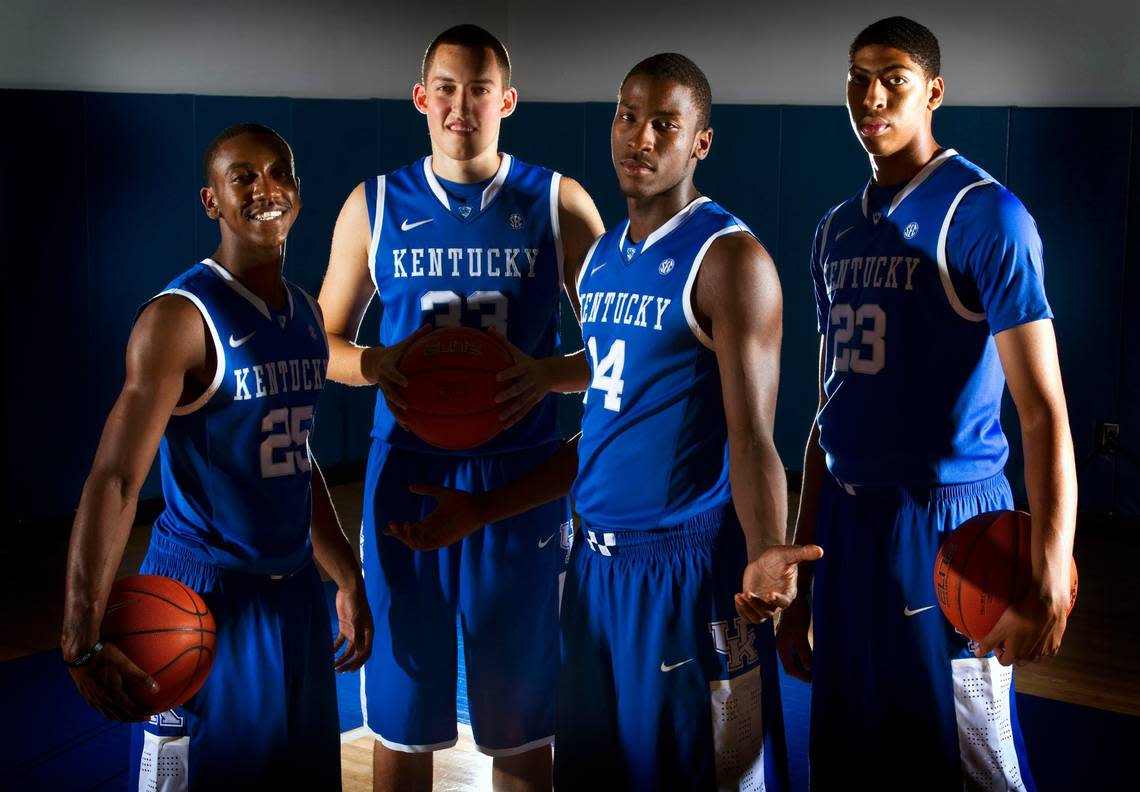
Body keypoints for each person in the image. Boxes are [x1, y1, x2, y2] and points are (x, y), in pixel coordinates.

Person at [398, 52, 821, 791]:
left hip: (689, 570)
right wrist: (485, 508)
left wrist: (764, 548)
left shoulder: (730, 260)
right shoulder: (596, 265)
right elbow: (600, 431)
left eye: (665, 124)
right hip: (594, 572)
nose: (641, 138)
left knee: (712, 774)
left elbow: (754, 436)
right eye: (629, 116)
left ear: (700, 143)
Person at [765, 17, 1078, 791]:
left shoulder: (987, 215)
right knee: (847, 752)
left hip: (950, 521)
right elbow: (824, 410)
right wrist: (801, 573)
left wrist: (1047, 569)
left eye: (894, 77)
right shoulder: (834, 230)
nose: (871, 95)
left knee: (974, 764)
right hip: (845, 521)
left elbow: (1042, 412)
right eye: (857, 76)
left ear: (933, 91)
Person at [317, 24, 603, 792]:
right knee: (401, 726)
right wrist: (376, 362)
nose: (461, 105)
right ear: (422, 97)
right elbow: (325, 343)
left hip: (520, 484)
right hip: (406, 477)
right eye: (446, 87)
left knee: (521, 725)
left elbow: (619, 356)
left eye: (479, 89)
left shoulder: (557, 202)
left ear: (506, 100)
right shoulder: (372, 205)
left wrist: (545, 374)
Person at [61, 123, 372, 790]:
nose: (265, 189)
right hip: (203, 597)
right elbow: (115, 480)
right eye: (244, 177)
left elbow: (294, 456)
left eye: (278, 173)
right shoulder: (180, 318)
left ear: (296, 190)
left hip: (291, 595)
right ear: (213, 202)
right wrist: (80, 631)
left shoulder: (308, 318)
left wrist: (344, 571)